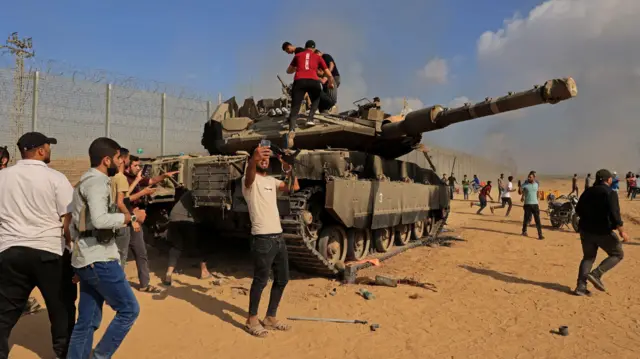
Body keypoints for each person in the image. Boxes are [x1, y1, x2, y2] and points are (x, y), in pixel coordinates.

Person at [67, 137, 147, 358]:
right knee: (129, 310)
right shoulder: (97, 183)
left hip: (89, 258)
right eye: (118, 158)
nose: (121, 162)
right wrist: (132, 217)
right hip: (99, 259)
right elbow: (101, 220)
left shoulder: (85, 181)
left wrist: (79, 261)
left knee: (87, 321)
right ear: (106, 160)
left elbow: (75, 224)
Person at [0, 132, 76, 359]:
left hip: (10, 252)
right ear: (41, 151)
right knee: (61, 308)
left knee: (4, 312)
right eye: (48, 146)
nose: (50, 150)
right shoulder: (56, 178)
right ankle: (64, 354)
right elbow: (67, 221)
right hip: (49, 252)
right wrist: (72, 251)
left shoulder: (3, 177)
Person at [242, 144, 299, 337]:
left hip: (278, 237)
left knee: (283, 279)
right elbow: (249, 175)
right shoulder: (248, 181)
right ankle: (251, 320)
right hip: (262, 238)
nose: (264, 160)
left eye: (267, 158)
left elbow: (294, 187)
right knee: (260, 280)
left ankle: (270, 317)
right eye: (261, 157)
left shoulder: (272, 181)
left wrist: (289, 167)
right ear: (254, 159)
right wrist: (253, 159)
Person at [124, 155, 177, 293]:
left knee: (141, 253)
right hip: (126, 220)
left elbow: (151, 180)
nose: (139, 168)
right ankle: (116, 290)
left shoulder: (137, 178)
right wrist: (142, 193)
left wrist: (164, 176)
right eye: (135, 165)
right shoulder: (123, 179)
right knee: (120, 257)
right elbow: (123, 202)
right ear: (127, 166)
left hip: (135, 220)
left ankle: (144, 284)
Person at [573, 169, 629, 296]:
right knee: (617, 254)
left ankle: (580, 287)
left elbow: (578, 209)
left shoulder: (587, 192)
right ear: (608, 179)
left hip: (586, 230)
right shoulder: (610, 192)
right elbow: (615, 214)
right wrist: (622, 232)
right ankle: (596, 274)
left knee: (588, 257)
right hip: (603, 231)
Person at [284, 40, 335, 148]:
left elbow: (289, 71)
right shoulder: (318, 57)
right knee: (316, 98)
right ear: (313, 48)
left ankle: (292, 129)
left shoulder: (298, 55)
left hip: (299, 81)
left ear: (305, 47)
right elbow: (328, 72)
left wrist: (296, 68)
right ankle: (310, 119)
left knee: (295, 106)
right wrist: (330, 81)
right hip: (313, 81)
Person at [163, 190, 212, 286]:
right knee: (199, 245)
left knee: (176, 247)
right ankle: (204, 272)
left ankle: (168, 273)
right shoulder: (202, 192)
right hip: (187, 221)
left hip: (173, 219)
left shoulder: (190, 192)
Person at [521, 171, 544, 240]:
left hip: (535, 204)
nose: (529, 178)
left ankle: (540, 235)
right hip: (527, 204)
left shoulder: (537, 184)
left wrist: (538, 198)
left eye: (530, 177)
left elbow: (537, 191)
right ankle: (524, 231)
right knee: (526, 219)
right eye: (528, 177)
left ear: (534, 178)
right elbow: (520, 192)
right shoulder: (525, 184)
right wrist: (520, 189)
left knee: (537, 220)